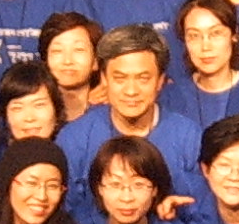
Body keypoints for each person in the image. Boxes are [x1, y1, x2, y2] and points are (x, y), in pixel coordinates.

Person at [56, 24, 204, 210]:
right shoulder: (74, 139)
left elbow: (201, 210)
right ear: (104, 79)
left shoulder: (189, 138)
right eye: (120, 78)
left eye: (143, 78)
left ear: (160, 81)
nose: (131, 91)